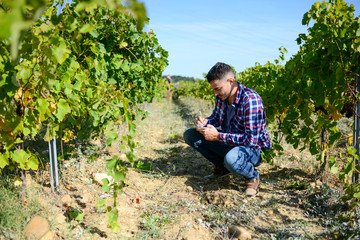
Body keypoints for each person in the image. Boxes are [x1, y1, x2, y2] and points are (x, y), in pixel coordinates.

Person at [183, 62, 272, 198]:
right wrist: (206, 122)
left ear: (230, 81)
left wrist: (218, 136)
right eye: (213, 89)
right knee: (190, 135)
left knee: (232, 159)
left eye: (218, 89)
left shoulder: (250, 100)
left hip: (255, 149)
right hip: (231, 142)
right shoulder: (222, 96)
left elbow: (251, 140)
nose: (215, 93)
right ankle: (223, 167)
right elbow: (217, 118)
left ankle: (252, 177)